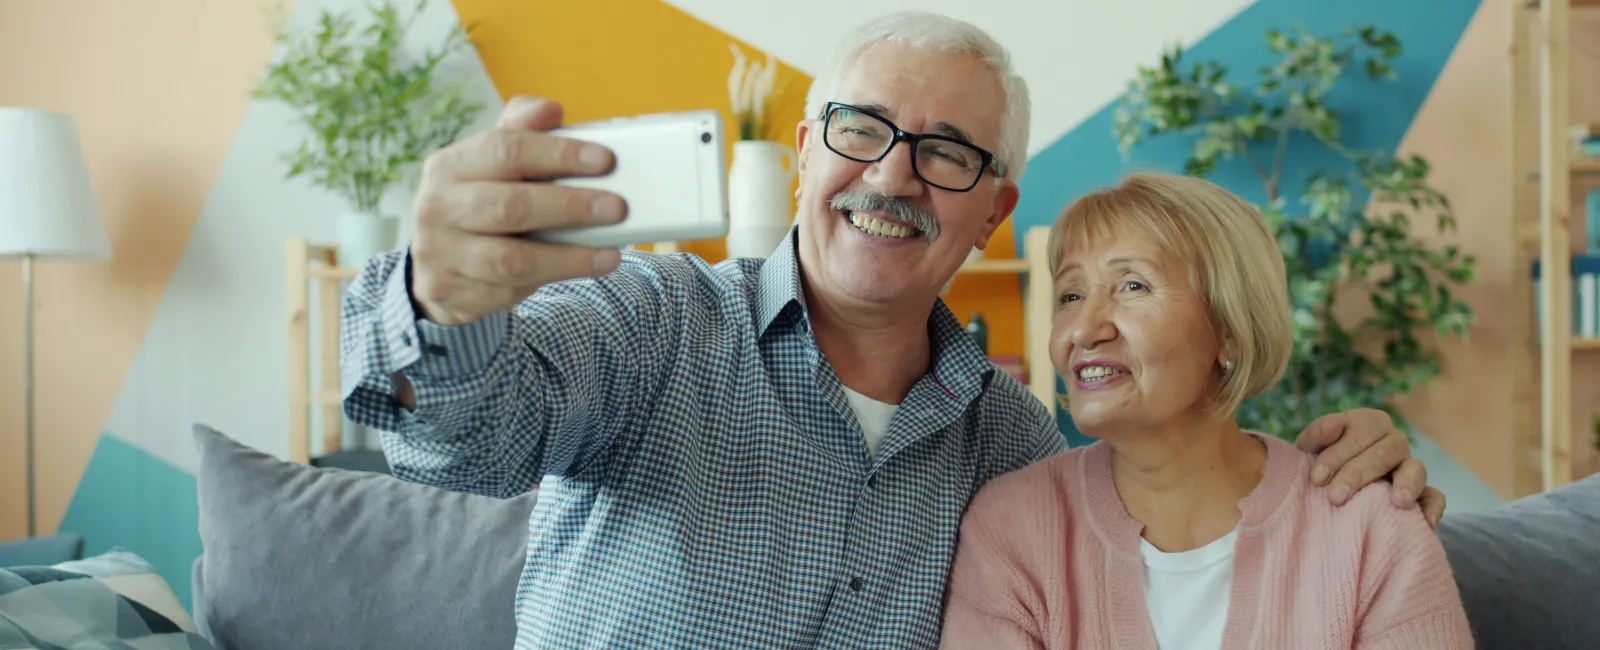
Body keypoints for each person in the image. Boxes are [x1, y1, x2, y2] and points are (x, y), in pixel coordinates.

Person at [340, 11, 1443, 648]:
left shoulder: (1010, 444)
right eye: (861, 130)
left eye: (946, 152)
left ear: (992, 212)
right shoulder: (653, 319)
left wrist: (1356, 468)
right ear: (805, 152)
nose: (892, 175)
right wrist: (440, 305)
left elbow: (1185, 503)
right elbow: (461, 447)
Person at [938, 173, 1474, 650]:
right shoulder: (1011, 528)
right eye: (1070, 296)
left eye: (1132, 286)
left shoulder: (1367, 527)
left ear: (1230, 330)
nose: (1083, 329)